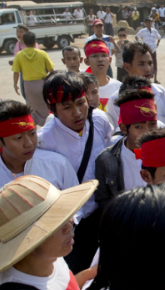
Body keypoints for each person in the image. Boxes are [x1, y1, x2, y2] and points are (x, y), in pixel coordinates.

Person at [0, 100, 79, 260]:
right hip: (8, 261)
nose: (29, 143)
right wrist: (12, 239)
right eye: (18, 138)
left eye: (32, 134)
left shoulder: (57, 164)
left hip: (58, 254)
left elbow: (76, 204)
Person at [38, 71, 113, 272]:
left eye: (80, 102)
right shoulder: (44, 141)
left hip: (102, 215)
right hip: (70, 224)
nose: (77, 113)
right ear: (51, 109)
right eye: (67, 107)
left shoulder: (99, 120)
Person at [94, 85, 158, 210]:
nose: (148, 132)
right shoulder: (106, 160)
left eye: (152, 124)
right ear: (124, 128)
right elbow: (103, 202)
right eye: (139, 127)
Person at [107, 42, 165, 128]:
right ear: (127, 67)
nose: (148, 69)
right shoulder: (115, 100)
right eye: (141, 64)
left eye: (150, 63)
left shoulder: (162, 93)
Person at [12, 32, 54, 126]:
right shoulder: (42, 53)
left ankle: (33, 131)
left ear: (24, 42)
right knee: (46, 107)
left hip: (28, 86)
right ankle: (48, 126)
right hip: (42, 84)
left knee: (32, 109)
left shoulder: (19, 55)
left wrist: (15, 85)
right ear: (35, 42)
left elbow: (16, 72)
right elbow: (51, 70)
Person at [84, 39, 121, 113]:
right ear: (86, 61)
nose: (100, 59)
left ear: (110, 60)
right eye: (94, 56)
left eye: (104, 55)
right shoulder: (81, 88)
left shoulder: (119, 87)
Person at [136, 17, 162, 84]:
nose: (148, 23)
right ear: (145, 23)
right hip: (146, 50)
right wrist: (140, 44)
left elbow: (159, 37)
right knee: (146, 64)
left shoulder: (154, 31)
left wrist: (157, 44)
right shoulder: (142, 31)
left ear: (151, 22)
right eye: (147, 22)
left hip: (153, 49)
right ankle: (148, 79)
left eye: (149, 22)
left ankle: (155, 79)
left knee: (154, 63)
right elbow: (136, 37)